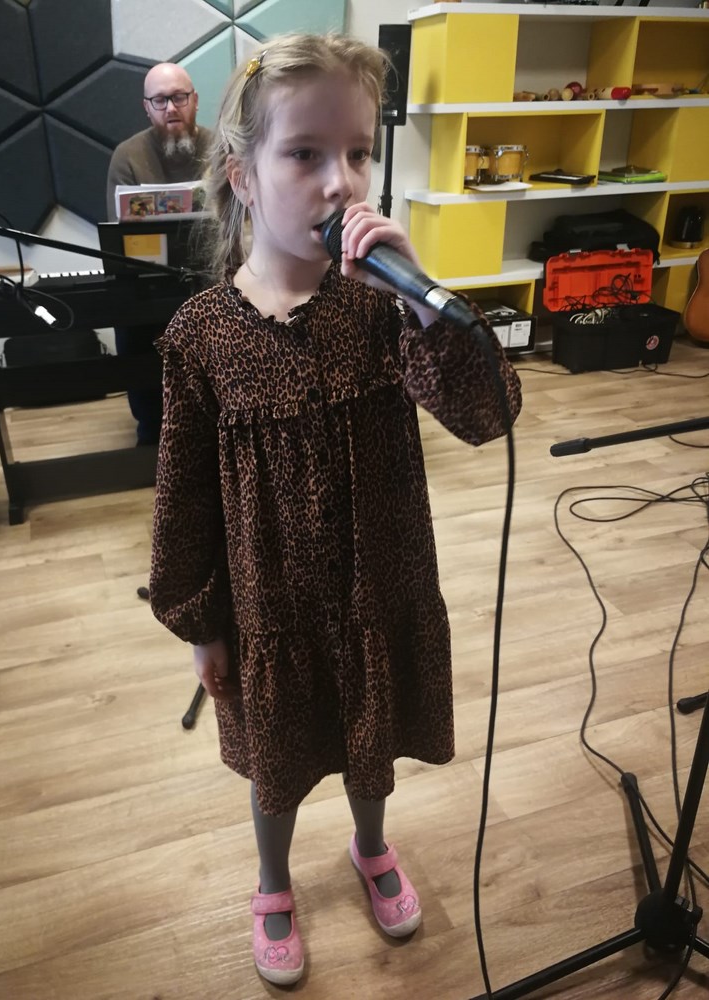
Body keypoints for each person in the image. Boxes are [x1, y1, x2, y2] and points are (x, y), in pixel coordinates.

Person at [148, 33, 522, 986]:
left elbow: (487, 414)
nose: (341, 182)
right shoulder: (201, 336)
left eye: (358, 153)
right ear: (242, 175)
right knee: (278, 757)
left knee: (370, 734)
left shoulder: (381, 311)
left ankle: (370, 844)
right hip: (269, 605)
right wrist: (201, 623)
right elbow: (183, 498)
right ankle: (272, 880)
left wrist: (428, 299)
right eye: (306, 154)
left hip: (377, 586)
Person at [106, 63, 213, 446]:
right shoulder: (127, 156)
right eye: (160, 100)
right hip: (150, 279)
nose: (170, 108)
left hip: (211, 276)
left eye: (179, 97)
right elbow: (120, 239)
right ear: (147, 107)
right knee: (130, 317)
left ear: (194, 100)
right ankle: (151, 428)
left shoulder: (221, 149)